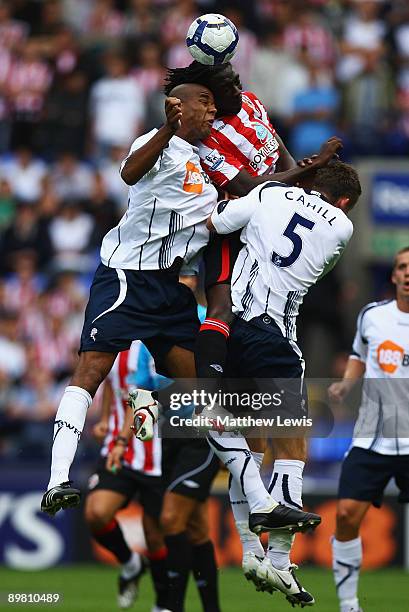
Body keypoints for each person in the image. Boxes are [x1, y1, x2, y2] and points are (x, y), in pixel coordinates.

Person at [161, 60, 332, 596]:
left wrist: (299, 178)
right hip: (238, 233)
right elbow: (249, 187)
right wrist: (310, 171)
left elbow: (276, 160)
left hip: (271, 222)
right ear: (206, 97)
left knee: (256, 435)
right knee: (225, 317)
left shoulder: (255, 104)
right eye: (222, 86)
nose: (234, 87)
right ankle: (203, 387)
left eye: (234, 79)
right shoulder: (204, 137)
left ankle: (263, 557)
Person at [41, 83, 218, 515]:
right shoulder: (155, 143)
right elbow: (129, 173)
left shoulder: (208, 162)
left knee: (203, 390)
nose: (212, 111)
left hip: (170, 287)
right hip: (127, 276)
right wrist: (165, 128)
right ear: (180, 108)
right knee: (92, 369)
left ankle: (149, 403)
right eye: (205, 102)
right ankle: (58, 479)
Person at [206, 155, 362, 607]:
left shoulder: (270, 193)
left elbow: (218, 222)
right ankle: (277, 556)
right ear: (345, 201)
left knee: (244, 438)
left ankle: (252, 551)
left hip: (230, 325)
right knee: (292, 440)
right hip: (274, 332)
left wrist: (261, 188)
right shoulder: (342, 229)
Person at [328, 247, 409, 612]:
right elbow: (359, 355)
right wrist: (346, 383)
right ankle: (349, 605)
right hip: (372, 435)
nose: (408, 273)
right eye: (402, 267)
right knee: (346, 514)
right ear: (393, 276)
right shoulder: (373, 316)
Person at [85, 341, 167, 611]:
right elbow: (110, 382)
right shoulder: (112, 336)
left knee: (154, 533)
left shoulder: (151, 340)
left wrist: (122, 439)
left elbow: (144, 395)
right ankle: (131, 563)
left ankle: (163, 604)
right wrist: (107, 418)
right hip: (118, 448)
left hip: (153, 448)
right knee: (96, 513)